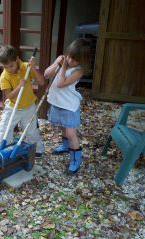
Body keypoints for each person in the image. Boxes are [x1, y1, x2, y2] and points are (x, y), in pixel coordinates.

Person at [44, 38, 91, 174]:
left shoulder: (78, 71)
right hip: (57, 102)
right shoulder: (61, 62)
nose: (70, 61)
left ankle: (76, 159)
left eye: (74, 59)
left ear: (82, 60)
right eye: (69, 56)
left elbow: (61, 83)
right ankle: (65, 146)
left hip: (69, 105)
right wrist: (56, 63)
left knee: (71, 133)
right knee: (62, 127)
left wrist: (63, 67)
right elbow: (47, 75)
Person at [0, 45, 45, 157]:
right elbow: (9, 96)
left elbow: (41, 82)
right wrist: (19, 86)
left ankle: (37, 149)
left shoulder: (26, 68)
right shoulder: (4, 76)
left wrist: (33, 68)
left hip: (29, 107)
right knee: (5, 129)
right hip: (13, 107)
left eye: (11, 66)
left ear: (17, 59)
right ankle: (0, 150)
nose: (9, 69)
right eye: (5, 67)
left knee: (31, 130)